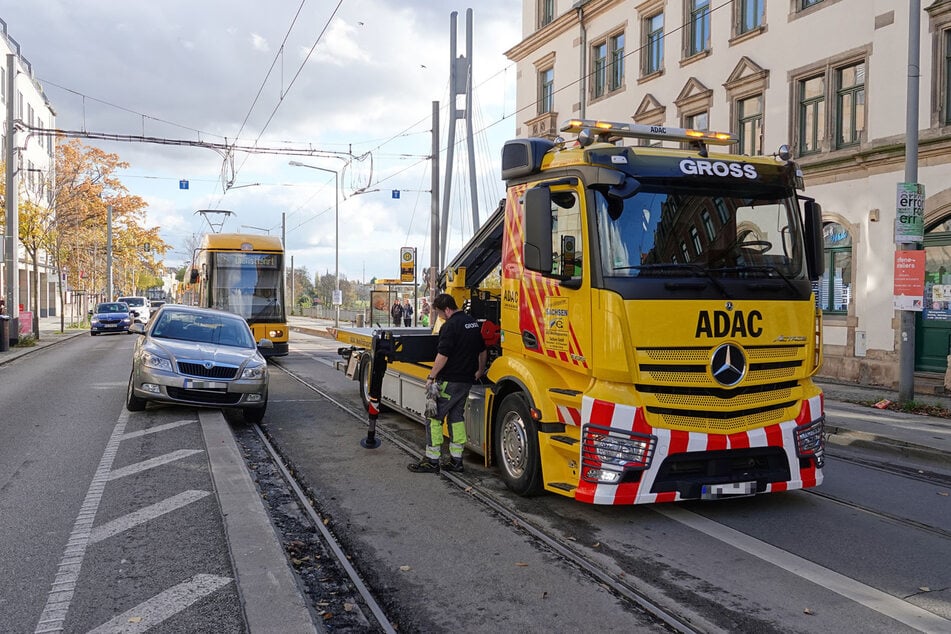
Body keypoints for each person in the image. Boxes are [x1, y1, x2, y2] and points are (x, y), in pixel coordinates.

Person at [409, 293, 487, 474]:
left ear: (447, 309)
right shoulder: (472, 323)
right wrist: (480, 370)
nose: (439, 317)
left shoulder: (450, 326)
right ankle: (456, 461)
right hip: (466, 380)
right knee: (456, 418)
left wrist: (431, 377)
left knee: (433, 417)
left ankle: (432, 459)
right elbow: (482, 350)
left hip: (450, 381)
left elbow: (443, 355)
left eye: (439, 313)